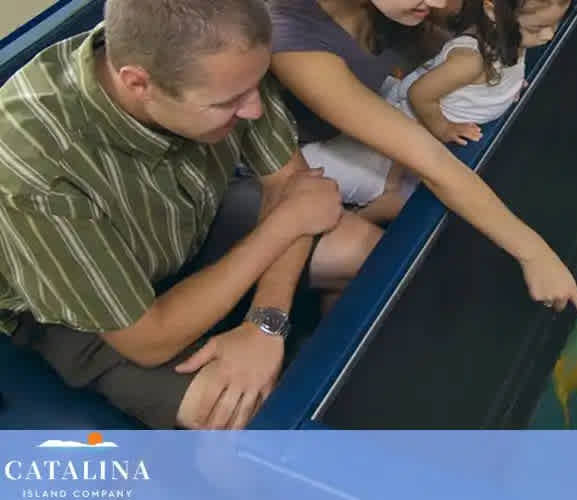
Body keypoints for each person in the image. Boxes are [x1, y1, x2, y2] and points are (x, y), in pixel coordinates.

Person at [0, 0, 382, 430]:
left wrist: (265, 323)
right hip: (92, 309)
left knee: (365, 252)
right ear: (138, 84)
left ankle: (337, 390)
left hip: (190, 221)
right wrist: (282, 226)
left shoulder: (224, 64)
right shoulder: (33, 165)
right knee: (239, 411)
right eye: (229, 102)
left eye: (255, 87)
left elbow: (292, 185)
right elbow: (147, 340)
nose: (254, 110)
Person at [268, 0, 577, 331]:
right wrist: (533, 252)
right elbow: (428, 157)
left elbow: (451, 54)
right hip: (279, 176)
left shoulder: (404, 8)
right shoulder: (290, 36)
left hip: (369, 134)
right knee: (380, 257)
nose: (442, 2)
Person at [301, 0, 568, 221]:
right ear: (492, 11)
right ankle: (350, 218)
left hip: (412, 136)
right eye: (538, 28)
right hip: (395, 142)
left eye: (555, 24)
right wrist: (442, 127)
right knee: (400, 201)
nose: (549, 35)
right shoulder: (470, 61)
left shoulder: (510, 40)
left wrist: (508, 90)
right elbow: (418, 94)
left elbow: (497, 78)